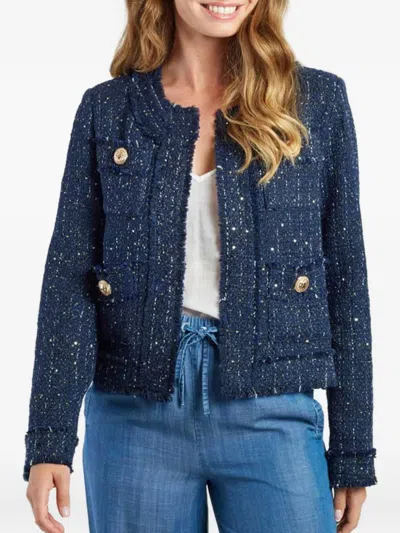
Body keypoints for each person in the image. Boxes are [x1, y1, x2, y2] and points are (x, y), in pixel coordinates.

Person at [24, 1, 377, 532]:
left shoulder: (315, 101)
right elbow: (70, 278)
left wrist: (352, 447)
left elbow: (346, 276)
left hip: (272, 406)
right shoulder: (108, 109)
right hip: (133, 416)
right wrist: (49, 438)